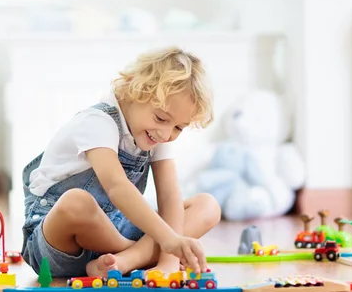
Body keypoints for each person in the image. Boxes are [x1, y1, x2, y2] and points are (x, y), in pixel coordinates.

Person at [20, 46, 221, 279]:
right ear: (133, 90)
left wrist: (169, 261)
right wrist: (168, 241)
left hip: (113, 234)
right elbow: (117, 187)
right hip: (57, 244)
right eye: (161, 118)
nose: (166, 134)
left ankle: (125, 262)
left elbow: (169, 197)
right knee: (76, 202)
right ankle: (138, 256)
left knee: (207, 205)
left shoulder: (156, 132)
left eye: (178, 128)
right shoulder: (98, 122)